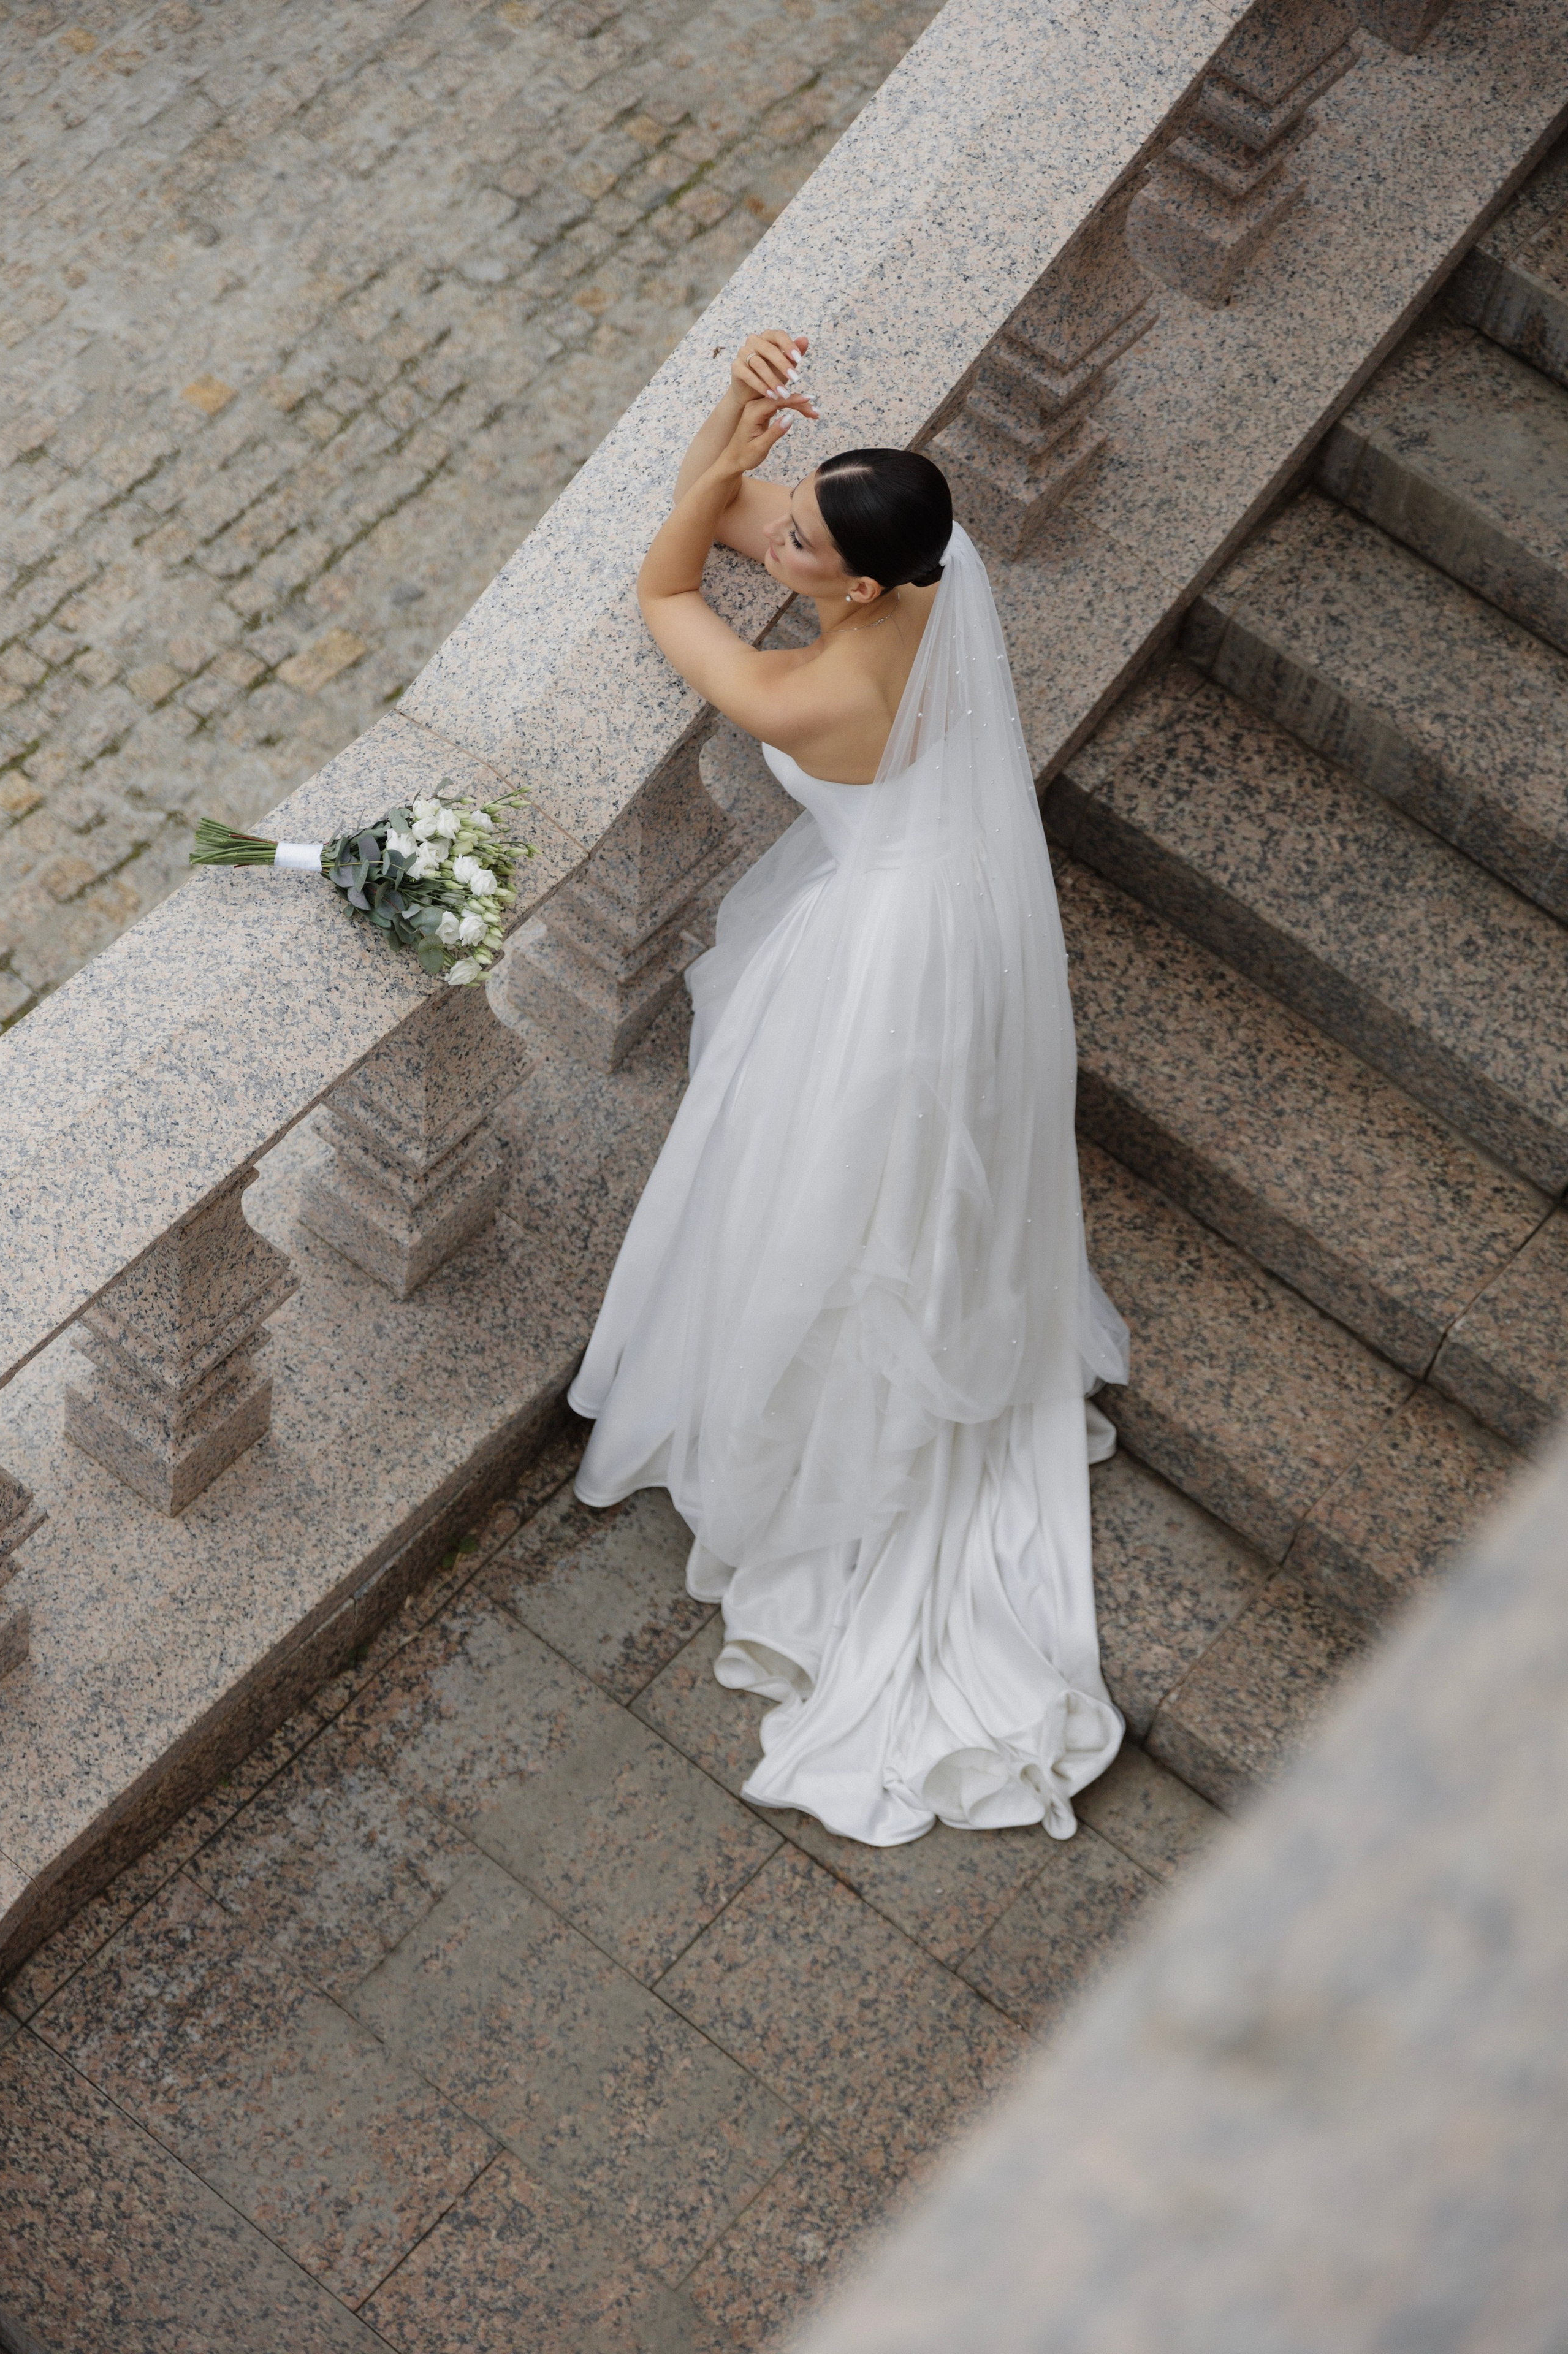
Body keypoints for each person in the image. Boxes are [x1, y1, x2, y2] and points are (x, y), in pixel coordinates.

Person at [568, 330, 1130, 1848]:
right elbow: (732, 503)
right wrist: (734, 419)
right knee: (892, 1183)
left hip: (880, 946)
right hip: (946, 911)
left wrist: (722, 469)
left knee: (823, 1181)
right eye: (807, 503)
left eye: (806, 533)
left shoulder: (813, 703)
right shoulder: (932, 570)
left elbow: (667, 582)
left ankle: (813, 1422)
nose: (782, 523)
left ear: (859, 588)